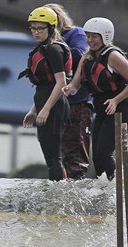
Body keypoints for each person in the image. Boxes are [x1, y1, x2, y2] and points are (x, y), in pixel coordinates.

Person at [62, 17, 128, 180]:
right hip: (101, 110)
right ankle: (105, 189)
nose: (90, 40)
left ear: (105, 36)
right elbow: (75, 85)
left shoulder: (113, 56)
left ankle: (118, 188)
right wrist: (68, 89)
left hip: (119, 109)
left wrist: (116, 100)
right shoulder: (86, 57)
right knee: (97, 157)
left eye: (94, 36)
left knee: (104, 153)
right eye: (88, 36)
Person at [19, 6, 71, 181]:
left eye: (40, 28)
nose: (36, 32)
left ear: (51, 28)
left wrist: (46, 109)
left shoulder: (53, 49)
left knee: (53, 156)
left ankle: (59, 195)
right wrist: (34, 110)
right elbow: (44, 87)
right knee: (49, 153)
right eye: (33, 28)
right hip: (43, 102)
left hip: (54, 106)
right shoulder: (43, 48)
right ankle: (57, 192)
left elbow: (61, 83)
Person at [45, 3, 93, 180]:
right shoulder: (45, 43)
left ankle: (77, 186)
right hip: (56, 102)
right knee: (56, 151)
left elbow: (81, 54)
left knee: (76, 152)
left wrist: (57, 50)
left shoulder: (75, 34)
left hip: (77, 102)